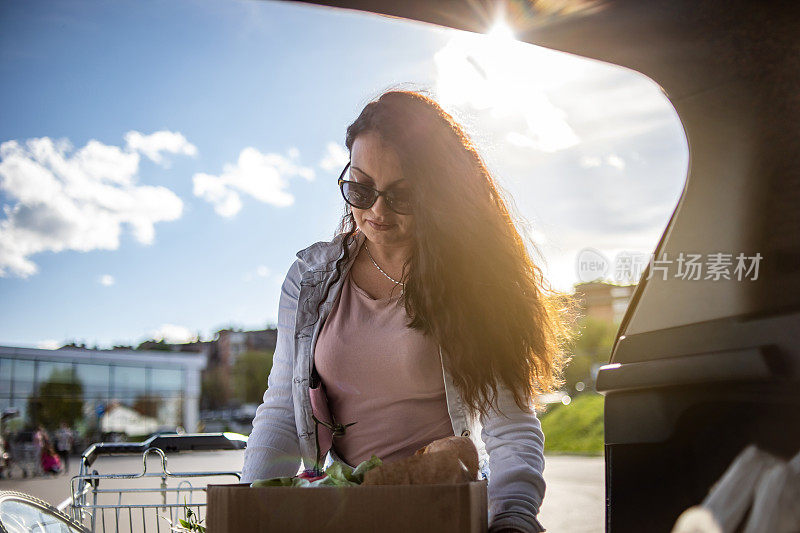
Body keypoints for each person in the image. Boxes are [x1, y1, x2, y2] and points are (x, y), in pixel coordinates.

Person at [242, 90, 575, 533]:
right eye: (360, 188)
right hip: (346, 511)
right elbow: (283, 407)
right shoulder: (309, 279)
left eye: (402, 196)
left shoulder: (475, 283)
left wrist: (512, 518)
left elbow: (510, 427)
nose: (376, 211)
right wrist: (250, 511)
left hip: (441, 512)